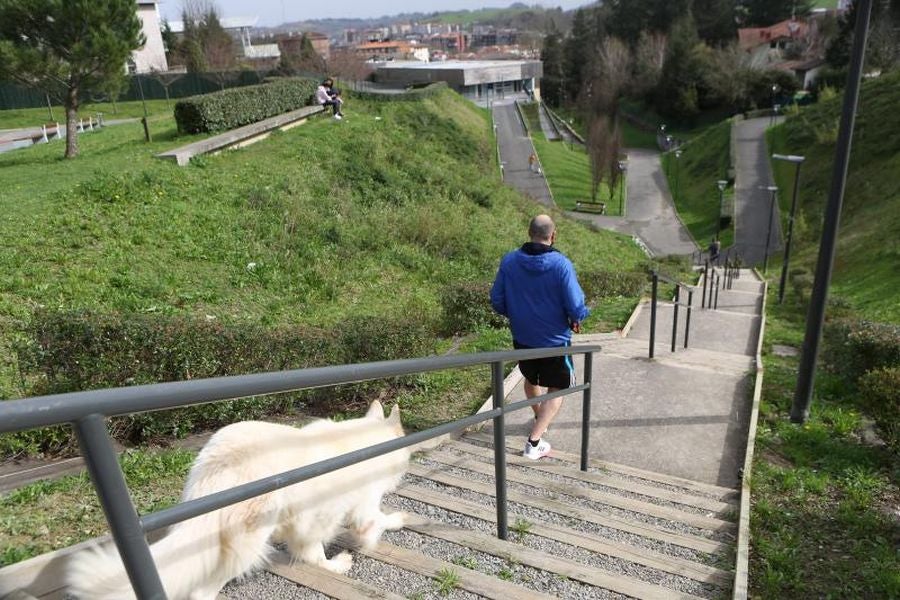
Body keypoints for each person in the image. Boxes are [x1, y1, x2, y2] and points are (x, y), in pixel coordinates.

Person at [490, 214, 590, 460]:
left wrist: (516, 314)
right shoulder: (561, 264)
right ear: (553, 235)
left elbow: (497, 300)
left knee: (530, 377)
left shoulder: (510, 261)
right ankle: (534, 443)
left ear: (529, 233)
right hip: (554, 340)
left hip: (522, 337)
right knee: (558, 388)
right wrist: (578, 317)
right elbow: (576, 305)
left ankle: (540, 418)